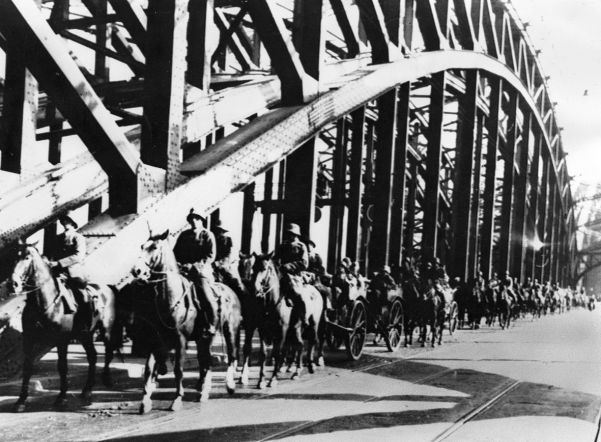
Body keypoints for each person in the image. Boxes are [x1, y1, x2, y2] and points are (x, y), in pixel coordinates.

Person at [173, 209, 217, 336]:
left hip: (201, 271)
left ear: (201, 220)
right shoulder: (184, 235)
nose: (193, 221)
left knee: (205, 294)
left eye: (196, 218)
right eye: (191, 218)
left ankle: (211, 323)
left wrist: (195, 266)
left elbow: (210, 255)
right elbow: (175, 253)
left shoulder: (207, 235)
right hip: (183, 271)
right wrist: (179, 264)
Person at [49, 213, 89, 314]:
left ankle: (85, 321)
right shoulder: (58, 238)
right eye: (63, 221)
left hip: (74, 273)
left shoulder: (78, 238)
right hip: (58, 272)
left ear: (73, 223)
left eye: (67, 221)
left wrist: (58, 263)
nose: (64, 223)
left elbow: (78, 256)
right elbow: (53, 253)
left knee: (82, 296)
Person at [275, 223, 309, 326]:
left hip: (295, 276)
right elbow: (276, 258)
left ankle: (304, 316)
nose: (290, 235)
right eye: (289, 233)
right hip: (281, 274)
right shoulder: (283, 245)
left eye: (292, 234)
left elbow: (304, 263)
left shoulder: (301, 246)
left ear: (296, 235)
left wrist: (288, 266)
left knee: (297, 293)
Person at [212, 219, 246, 302]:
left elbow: (229, 255)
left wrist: (218, 263)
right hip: (212, 265)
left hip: (226, 265)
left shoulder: (228, 240)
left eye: (220, 231)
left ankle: (244, 301)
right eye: (216, 230)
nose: (218, 233)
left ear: (223, 231)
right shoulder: (212, 239)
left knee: (236, 282)